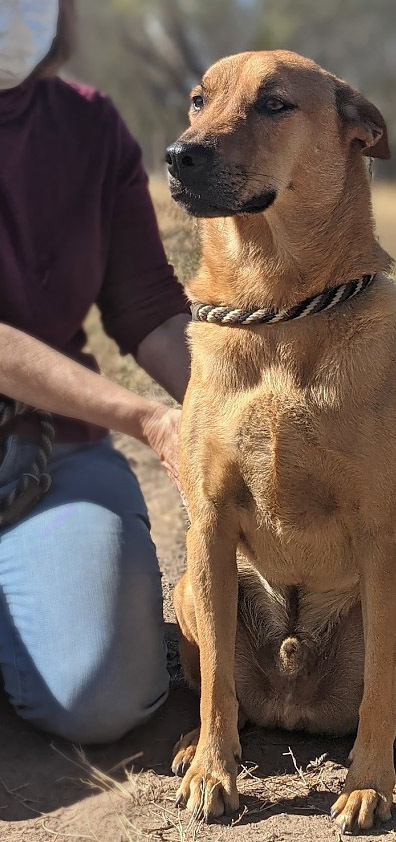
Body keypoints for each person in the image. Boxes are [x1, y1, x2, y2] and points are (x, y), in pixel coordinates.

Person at [0, 0, 191, 743]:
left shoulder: (89, 126)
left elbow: (145, 304)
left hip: (53, 455)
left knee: (100, 697)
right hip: (101, 420)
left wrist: (232, 408)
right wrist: (147, 418)